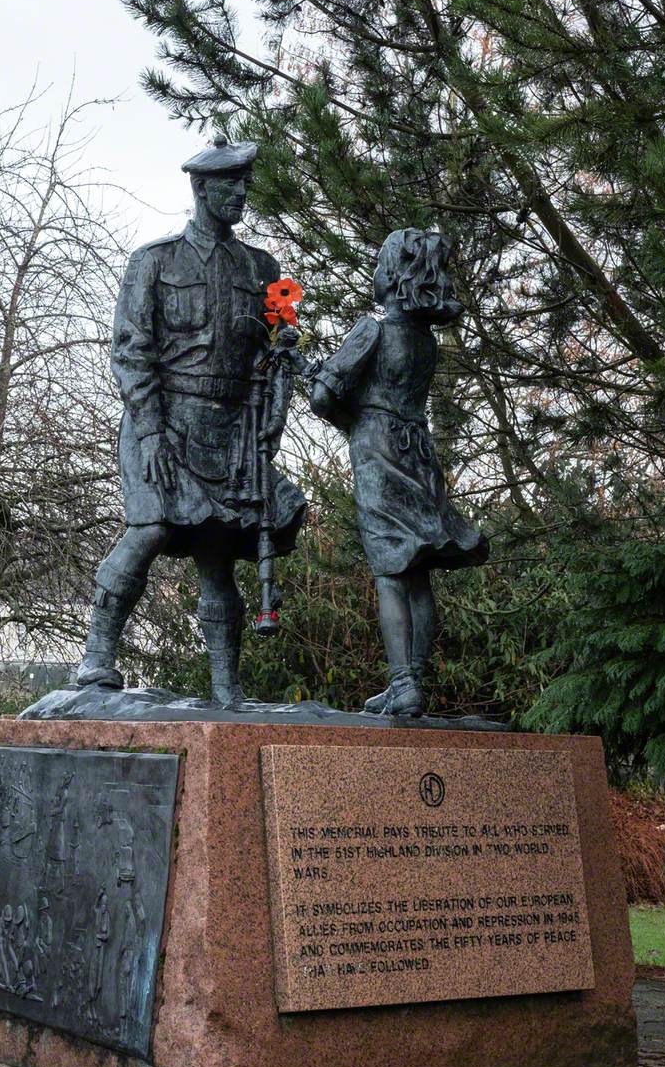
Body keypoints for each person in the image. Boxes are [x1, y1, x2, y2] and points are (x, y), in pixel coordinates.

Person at [75, 136, 306, 705]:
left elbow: (282, 346)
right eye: (231, 184)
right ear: (203, 188)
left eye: (246, 184)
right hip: (164, 422)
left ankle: (227, 689)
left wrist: (276, 402)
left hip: (232, 430)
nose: (242, 194)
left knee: (218, 551)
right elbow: (131, 351)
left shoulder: (265, 269)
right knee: (149, 529)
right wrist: (150, 428)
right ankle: (97, 658)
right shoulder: (152, 262)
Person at [309, 228, 489, 717]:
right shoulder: (426, 342)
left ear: (391, 274)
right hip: (419, 452)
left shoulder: (373, 330)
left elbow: (323, 396)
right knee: (419, 572)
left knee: (391, 569)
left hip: (379, 453)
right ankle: (411, 680)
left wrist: (349, 417)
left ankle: (403, 680)